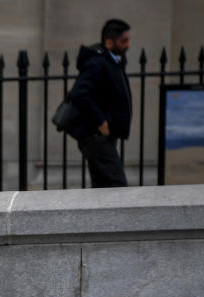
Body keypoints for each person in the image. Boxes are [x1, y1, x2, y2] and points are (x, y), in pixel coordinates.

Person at [68, 18, 132, 188]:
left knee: (102, 187)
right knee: (116, 184)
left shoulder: (113, 62)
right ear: (109, 42)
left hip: (103, 136)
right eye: (124, 41)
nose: (128, 45)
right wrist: (100, 121)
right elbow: (79, 93)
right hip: (95, 135)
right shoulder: (97, 62)